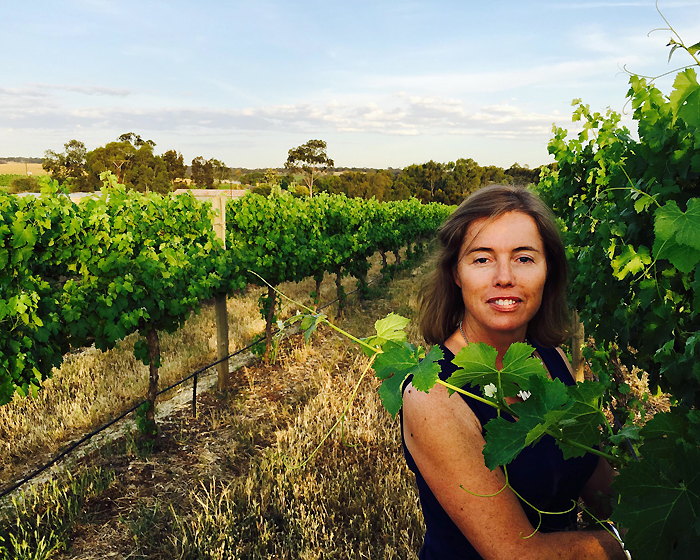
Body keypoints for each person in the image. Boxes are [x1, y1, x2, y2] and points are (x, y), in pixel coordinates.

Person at [401, 185, 627, 560]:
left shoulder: (553, 359)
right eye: (482, 259)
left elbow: (600, 487)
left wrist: (666, 511)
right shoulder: (433, 394)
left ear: (547, 270)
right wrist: (642, 545)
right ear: (456, 274)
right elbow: (516, 555)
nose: (504, 277)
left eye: (523, 258)